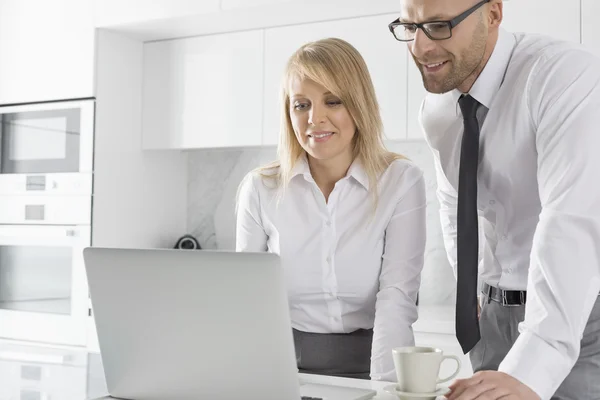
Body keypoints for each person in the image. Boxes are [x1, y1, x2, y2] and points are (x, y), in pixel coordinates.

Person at [389, 0, 600, 399]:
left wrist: (534, 364)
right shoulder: (438, 108)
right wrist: (475, 295)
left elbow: (569, 221)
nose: (419, 47)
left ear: (493, 14)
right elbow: (454, 203)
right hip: (491, 319)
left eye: (438, 26)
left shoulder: (563, 75)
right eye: (409, 27)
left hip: (577, 320)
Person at [235, 37, 426, 381]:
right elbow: (245, 301)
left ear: (359, 104)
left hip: (375, 364)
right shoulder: (260, 189)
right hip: (281, 370)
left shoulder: (401, 181)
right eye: (301, 104)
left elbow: (397, 296)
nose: (314, 119)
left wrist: (384, 387)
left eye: (332, 101)